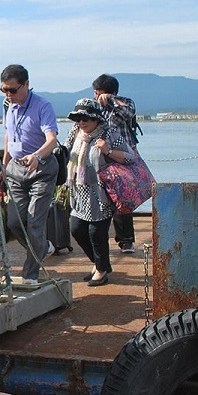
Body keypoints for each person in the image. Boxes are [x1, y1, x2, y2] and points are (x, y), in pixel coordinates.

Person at [63, 98, 134, 286]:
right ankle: (99, 263)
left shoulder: (109, 133)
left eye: (86, 118)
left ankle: (101, 271)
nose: (82, 122)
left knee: (97, 233)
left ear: (96, 119)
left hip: (102, 193)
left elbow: (130, 157)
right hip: (79, 191)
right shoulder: (75, 133)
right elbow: (65, 150)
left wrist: (108, 150)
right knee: (76, 228)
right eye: (78, 118)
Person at [0, 64, 59, 284]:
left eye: (13, 90)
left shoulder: (43, 106)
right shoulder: (8, 105)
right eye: (4, 90)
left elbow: (52, 140)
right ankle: (41, 247)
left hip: (40, 169)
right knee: (15, 222)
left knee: (35, 222)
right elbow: (8, 134)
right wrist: (5, 164)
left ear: (26, 84)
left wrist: (37, 156)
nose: (8, 94)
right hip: (15, 168)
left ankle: (30, 275)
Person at [92, 74, 139, 254]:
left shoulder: (124, 103)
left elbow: (128, 112)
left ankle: (126, 240)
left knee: (123, 198)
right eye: (95, 94)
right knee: (100, 197)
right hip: (100, 157)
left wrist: (111, 100)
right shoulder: (95, 107)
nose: (97, 97)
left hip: (122, 156)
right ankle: (100, 239)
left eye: (99, 94)